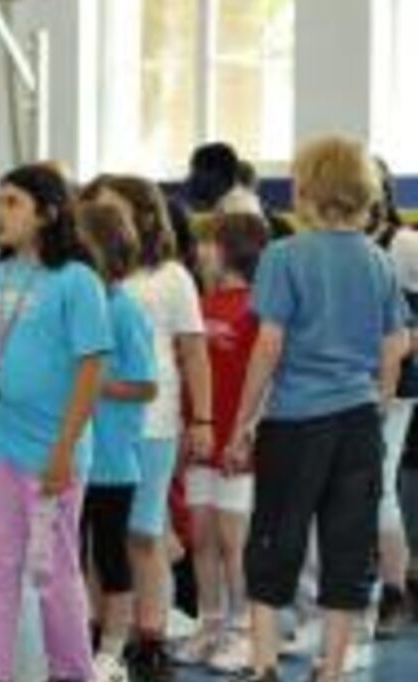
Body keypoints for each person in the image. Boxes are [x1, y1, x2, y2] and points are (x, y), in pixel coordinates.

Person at [225, 136, 410, 682]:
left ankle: (263, 664)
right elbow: (394, 345)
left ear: (304, 190)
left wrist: (242, 423)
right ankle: (330, 667)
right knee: (347, 544)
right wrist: (375, 407)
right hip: (356, 423)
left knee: (274, 540)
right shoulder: (378, 260)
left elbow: (268, 344)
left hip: (296, 422)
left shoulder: (284, 256)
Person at [0, 164, 111, 682]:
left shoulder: (76, 281)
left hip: (50, 451)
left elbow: (91, 366)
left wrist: (65, 448)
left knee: (52, 571)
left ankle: (73, 672)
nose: (1, 213)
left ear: (47, 212)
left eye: (13, 202)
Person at [83, 174, 213, 682]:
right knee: (101, 535)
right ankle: (100, 630)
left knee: (144, 530)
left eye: (113, 210)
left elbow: (194, 350)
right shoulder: (84, 276)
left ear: (142, 217)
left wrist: (201, 417)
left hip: (151, 421)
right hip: (94, 420)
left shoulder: (170, 277)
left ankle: (151, 635)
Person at [177, 213, 269, 673]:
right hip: (200, 442)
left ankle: (245, 630)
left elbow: (267, 378)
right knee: (202, 536)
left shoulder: (258, 307)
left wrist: (246, 435)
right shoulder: (200, 302)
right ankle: (210, 623)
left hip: (237, 445)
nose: (200, 252)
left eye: (208, 244)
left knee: (235, 541)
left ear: (230, 250)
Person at [74, 200, 157, 682]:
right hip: (74, 457)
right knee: (76, 555)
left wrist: (96, 384)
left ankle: (112, 648)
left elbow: (146, 385)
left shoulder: (124, 311)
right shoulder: (75, 303)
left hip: (112, 462)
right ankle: (83, 636)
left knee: (111, 555)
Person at [370, 157, 418, 638]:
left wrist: (400, 343)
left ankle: (394, 593)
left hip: (393, 387)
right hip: (341, 381)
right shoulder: (336, 244)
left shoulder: (402, 243)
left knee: (380, 490)